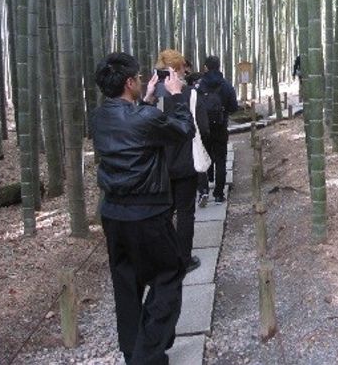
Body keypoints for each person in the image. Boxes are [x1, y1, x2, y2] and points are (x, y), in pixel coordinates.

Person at [90, 52, 195, 364]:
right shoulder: (142, 118)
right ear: (129, 83)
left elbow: (135, 129)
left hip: (113, 213)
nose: (140, 82)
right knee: (168, 275)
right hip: (147, 214)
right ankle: (146, 356)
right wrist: (176, 96)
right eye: (137, 78)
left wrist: (147, 100)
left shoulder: (98, 118)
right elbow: (182, 130)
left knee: (127, 283)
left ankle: (131, 349)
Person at [152, 50, 211, 272]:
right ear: (177, 70)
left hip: (160, 165)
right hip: (186, 161)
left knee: (164, 213)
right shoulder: (190, 95)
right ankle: (184, 259)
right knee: (186, 212)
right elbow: (203, 128)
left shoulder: (154, 97)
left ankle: (165, 259)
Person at [197, 55, 238, 203]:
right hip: (220, 127)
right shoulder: (226, 85)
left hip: (203, 128)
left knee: (203, 158)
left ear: (205, 67)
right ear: (219, 66)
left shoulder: (199, 86)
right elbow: (234, 107)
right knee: (221, 160)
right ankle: (219, 194)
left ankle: (203, 191)